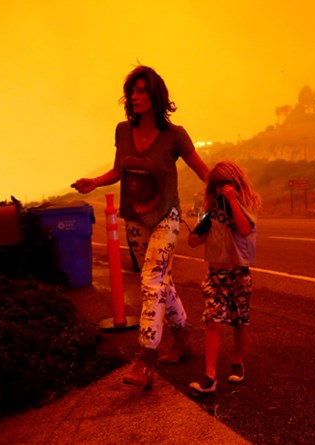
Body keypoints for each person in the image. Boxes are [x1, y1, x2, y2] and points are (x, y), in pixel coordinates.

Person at [72, 65, 209, 389]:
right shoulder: (123, 131)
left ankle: (145, 358)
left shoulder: (175, 135)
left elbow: (204, 171)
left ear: (156, 96)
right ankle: (183, 339)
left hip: (166, 218)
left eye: (142, 90)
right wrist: (94, 181)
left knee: (151, 280)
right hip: (135, 220)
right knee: (161, 282)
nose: (134, 97)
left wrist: (228, 188)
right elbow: (119, 169)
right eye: (131, 91)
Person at [187, 161, 261, 393]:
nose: (222, 189)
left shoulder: (246, 204)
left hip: (239, 271)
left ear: (236, 182)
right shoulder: (213, 210)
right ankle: (210, 376)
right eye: (217, 185)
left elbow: (244, 229)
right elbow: (200, 237)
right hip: (216, 273)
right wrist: (195, 239)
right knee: (213, 321)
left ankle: (238, 361)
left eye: (227, 183)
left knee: (240, 321)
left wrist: (232, 200)